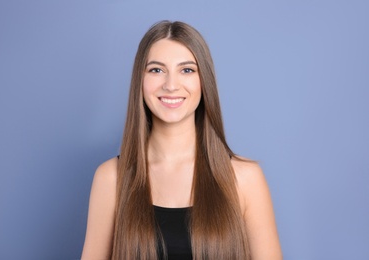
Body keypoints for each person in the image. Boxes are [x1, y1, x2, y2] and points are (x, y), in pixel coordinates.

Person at [81, 20, 282, 260]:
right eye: (156, 70)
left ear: (203, 80)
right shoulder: (111, 178)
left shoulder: (245, 178)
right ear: (140, 80)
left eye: (186, 70)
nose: (171, 85)